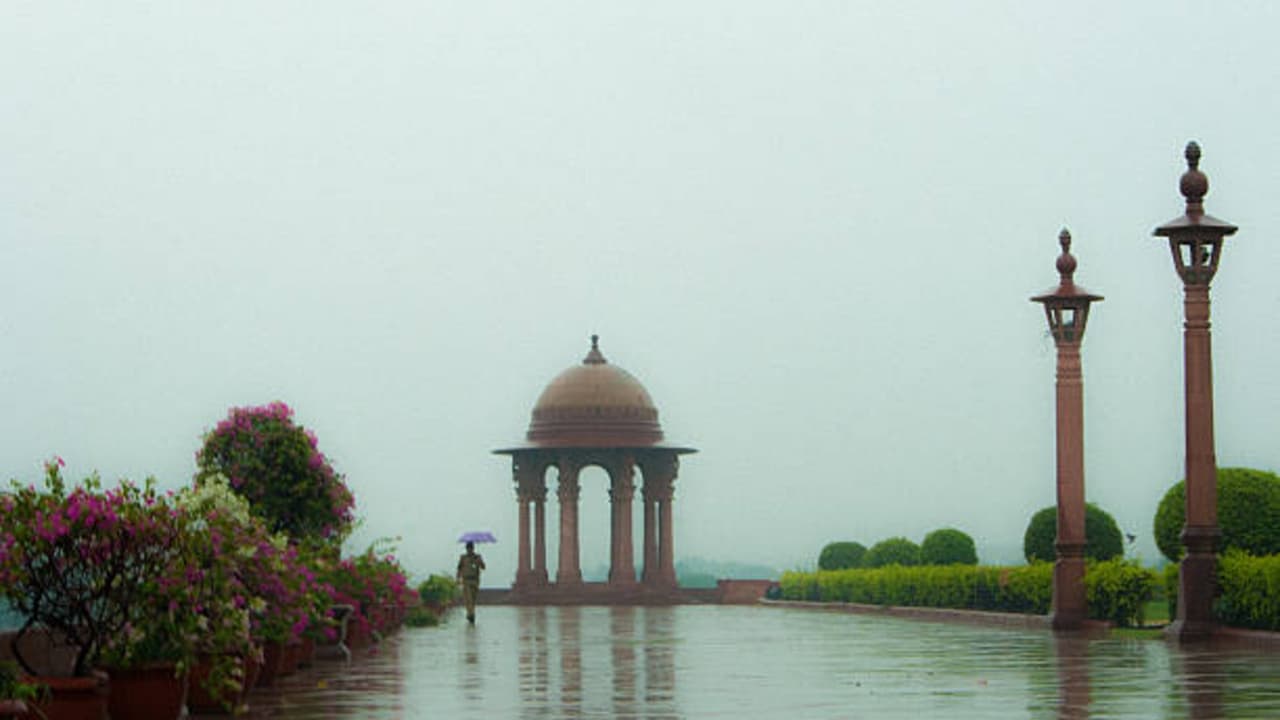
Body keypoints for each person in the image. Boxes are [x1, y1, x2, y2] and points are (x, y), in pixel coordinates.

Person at [456, 541, 486, 624]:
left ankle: (470, 613)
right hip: (466, 580)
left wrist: (479, 562)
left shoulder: (477, 557)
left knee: (473, 599)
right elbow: (459, 568)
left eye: (471, 548)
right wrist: (458, 579)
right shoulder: (463, 557)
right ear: (466, 549)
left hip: (475, 580)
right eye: (468, 548)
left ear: (473, 548)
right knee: (468, 598)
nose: (469, 550)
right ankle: (471, 614)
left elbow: (483, 567)